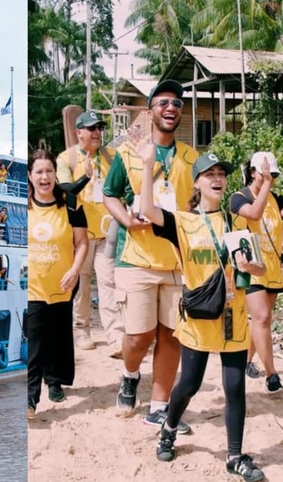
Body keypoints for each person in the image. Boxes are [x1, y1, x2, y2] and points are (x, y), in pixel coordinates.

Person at [138, 146, 266, 481]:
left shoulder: (235, 222)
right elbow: (147, 209)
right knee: (189, 384)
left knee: (235, 386)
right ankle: (168, 427)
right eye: (210, 174)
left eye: (222, 174)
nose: (218, 179)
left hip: (233, 317)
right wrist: (149, 165)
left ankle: (235, 455)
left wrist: (251, 265)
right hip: (198, 318)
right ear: (197, 183)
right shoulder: (182, 222)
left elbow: (260, 267)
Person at [102, 79, 197, 429]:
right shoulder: (127, 154)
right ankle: (129, 374)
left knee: (172, 335)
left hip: (176, 261)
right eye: (163, 103)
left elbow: (199, 205)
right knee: (140, 336)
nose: (171, 108)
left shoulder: (192, 158)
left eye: (177, 103)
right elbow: (109, 193)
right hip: (137, 260)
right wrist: (126, 219)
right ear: (150, 111)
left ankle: (158, 407)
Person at [229, 151, 283, 393]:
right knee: (262, 317)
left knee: (262, 321)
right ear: (253, 172)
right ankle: (271, 375)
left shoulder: (275, 199)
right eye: (267, 173)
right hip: (248, 267)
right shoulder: (239, 198)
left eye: (274, 174)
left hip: (272, 267)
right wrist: (266, 186)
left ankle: (245, 362)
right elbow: (254, 213)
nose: (271, 178)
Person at [56, 110, 125, 357]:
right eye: (92, 128)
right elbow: (66, 190)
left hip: (107, 231)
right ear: (79, 132)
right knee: (81, 284)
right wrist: (86, 176)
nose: (97, 133)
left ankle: (116, 337)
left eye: (100, 128)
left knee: (108, 282)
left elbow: (125, 186)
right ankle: (81, 330)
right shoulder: (67, 158)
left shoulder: (113, 156)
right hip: (80, 233)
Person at [26, 149, 88, 419]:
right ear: (30, 176)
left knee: (58, 333)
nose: (44, 177)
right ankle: (29, 399)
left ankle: (54, 381)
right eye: (39, 172)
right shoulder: (22, 205)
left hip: (63, 281)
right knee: (36, 338)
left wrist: (75, 269)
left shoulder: (71, 203)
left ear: (55, 174)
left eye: (49, 171)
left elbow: (82, 243)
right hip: (32, 285)